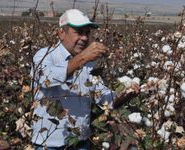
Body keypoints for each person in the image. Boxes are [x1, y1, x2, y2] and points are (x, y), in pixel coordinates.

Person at [31, 9, 139, 150]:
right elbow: (46, 79)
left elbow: (104, 98)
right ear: (61, 33)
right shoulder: (45, 56)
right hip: (49, 145)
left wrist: (127, 94)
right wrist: (83, 57)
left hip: (81, 144)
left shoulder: (88, 65)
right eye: (79, 32)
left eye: (87, 33)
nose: (84, 38)